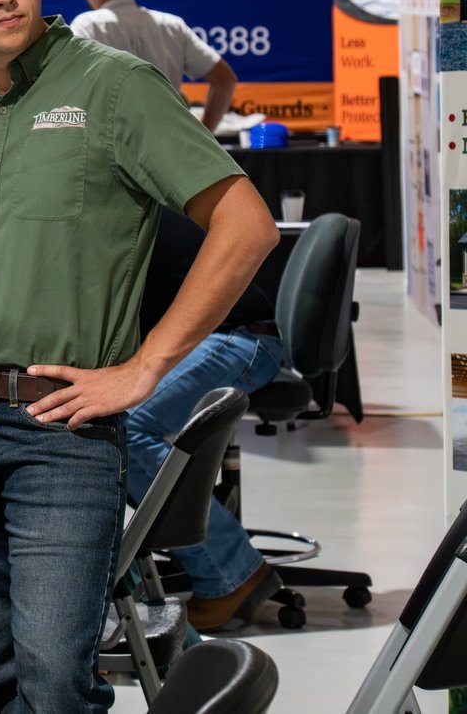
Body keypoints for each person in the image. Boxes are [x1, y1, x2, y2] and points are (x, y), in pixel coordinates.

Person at [0, 0, 277, 712]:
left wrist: (143, 368)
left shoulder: (115, 85)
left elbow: (246, 224)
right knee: (5, 680)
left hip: (60, 432)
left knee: (57, 684)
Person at [127, 209, 285, 631]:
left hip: (240, 338)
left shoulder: (119, 213)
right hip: (219, 334)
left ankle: (233, 571)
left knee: (126, 426)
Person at [70, 0, 238, 132]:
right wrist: (204, 136)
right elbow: (225, 79)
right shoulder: (172, 26)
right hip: (167, 147)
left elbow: (70, 90)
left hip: (110, 146)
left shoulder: (86, 26)